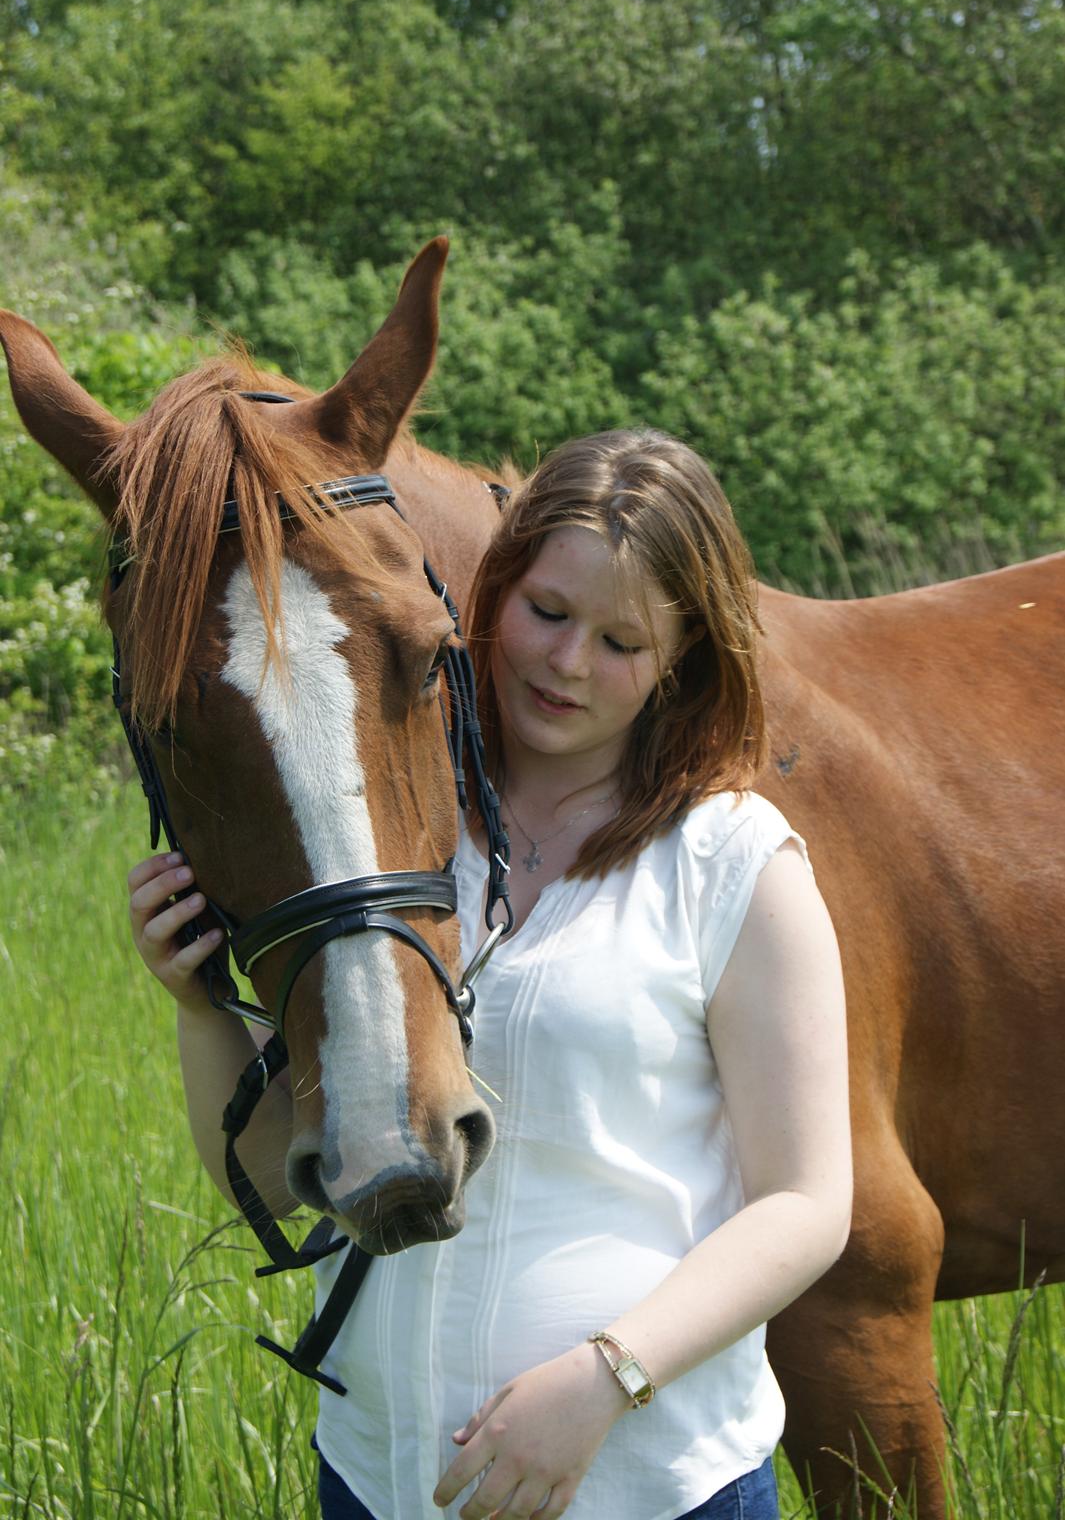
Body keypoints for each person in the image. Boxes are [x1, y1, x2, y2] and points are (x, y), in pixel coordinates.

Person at [127, 429, 851, 1520]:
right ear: (490, 588)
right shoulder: (394, 839)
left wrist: (608, 1377)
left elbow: (806, 1202)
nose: (566, 663)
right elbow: (277, 1177)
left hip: (641, 1487)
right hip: (381, 1477)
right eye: (548, 613)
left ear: (681, 659)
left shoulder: (731, 862)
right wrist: (198, 1006)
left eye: (620, 641)